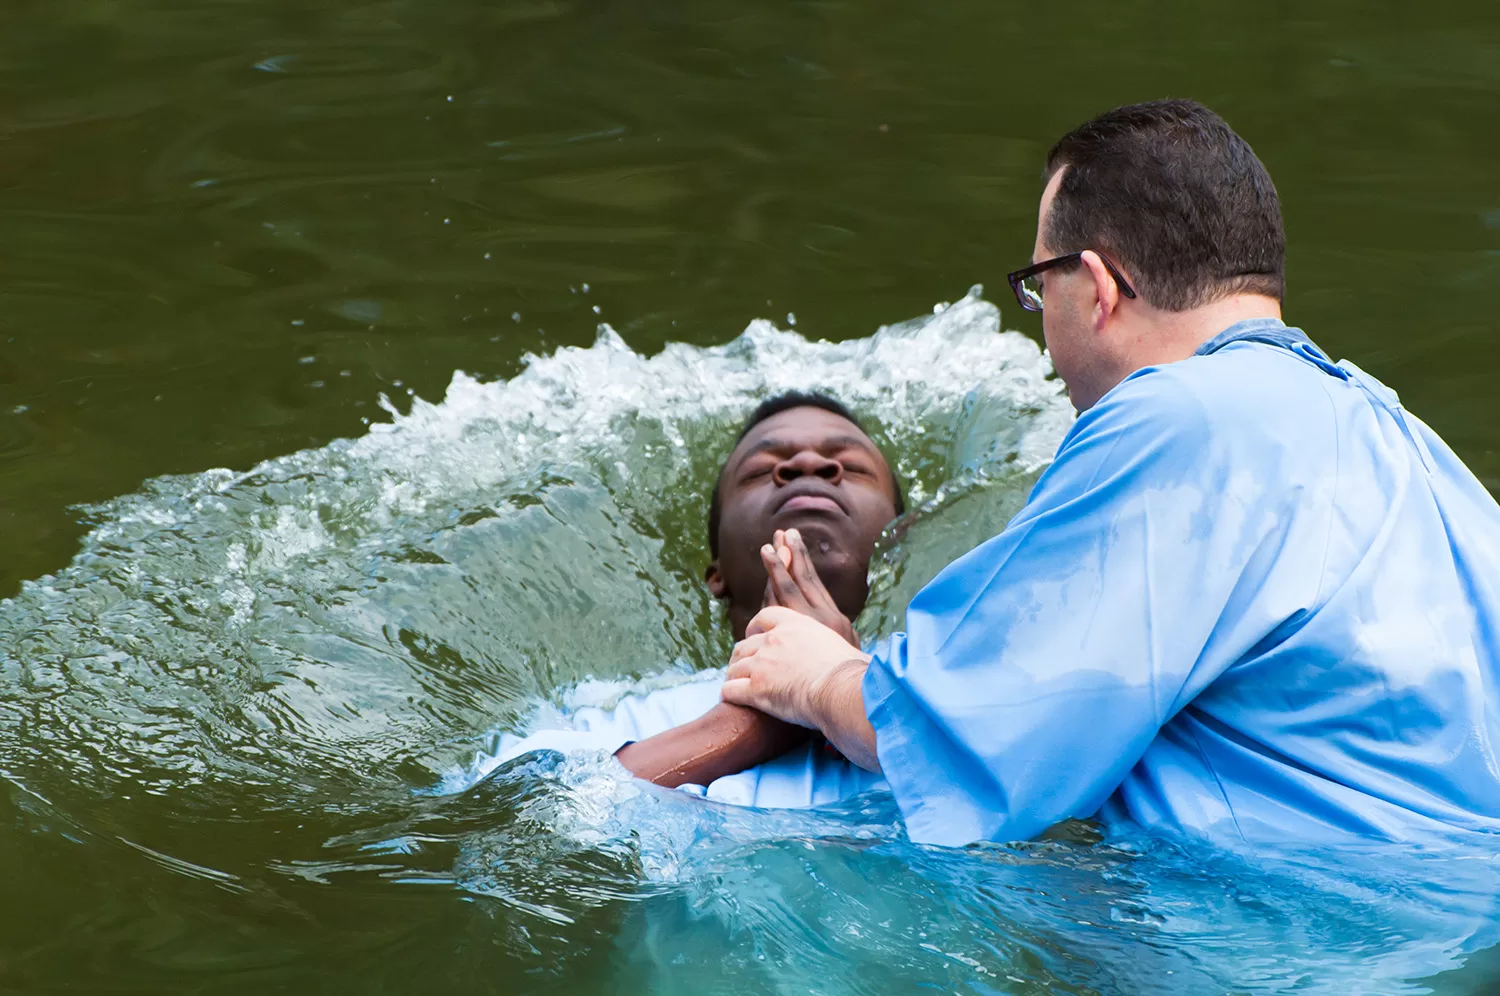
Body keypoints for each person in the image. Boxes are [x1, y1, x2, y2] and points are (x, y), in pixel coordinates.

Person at [721, 99, 1500, 848]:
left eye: (1036, 288)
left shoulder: (1179, 420)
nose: (1043, 334)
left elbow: (974, 735)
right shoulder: (1408, 441)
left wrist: (824, 678)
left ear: (1096, 285)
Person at [448, 391, 900, 808]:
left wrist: (834, 687)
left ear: (898, 551)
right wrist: (749, 726)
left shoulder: (943, 677)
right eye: (763, 469)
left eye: (849, 465)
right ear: (715, 575)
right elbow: (501, 825)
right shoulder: (605, 716)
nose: (806, 463)